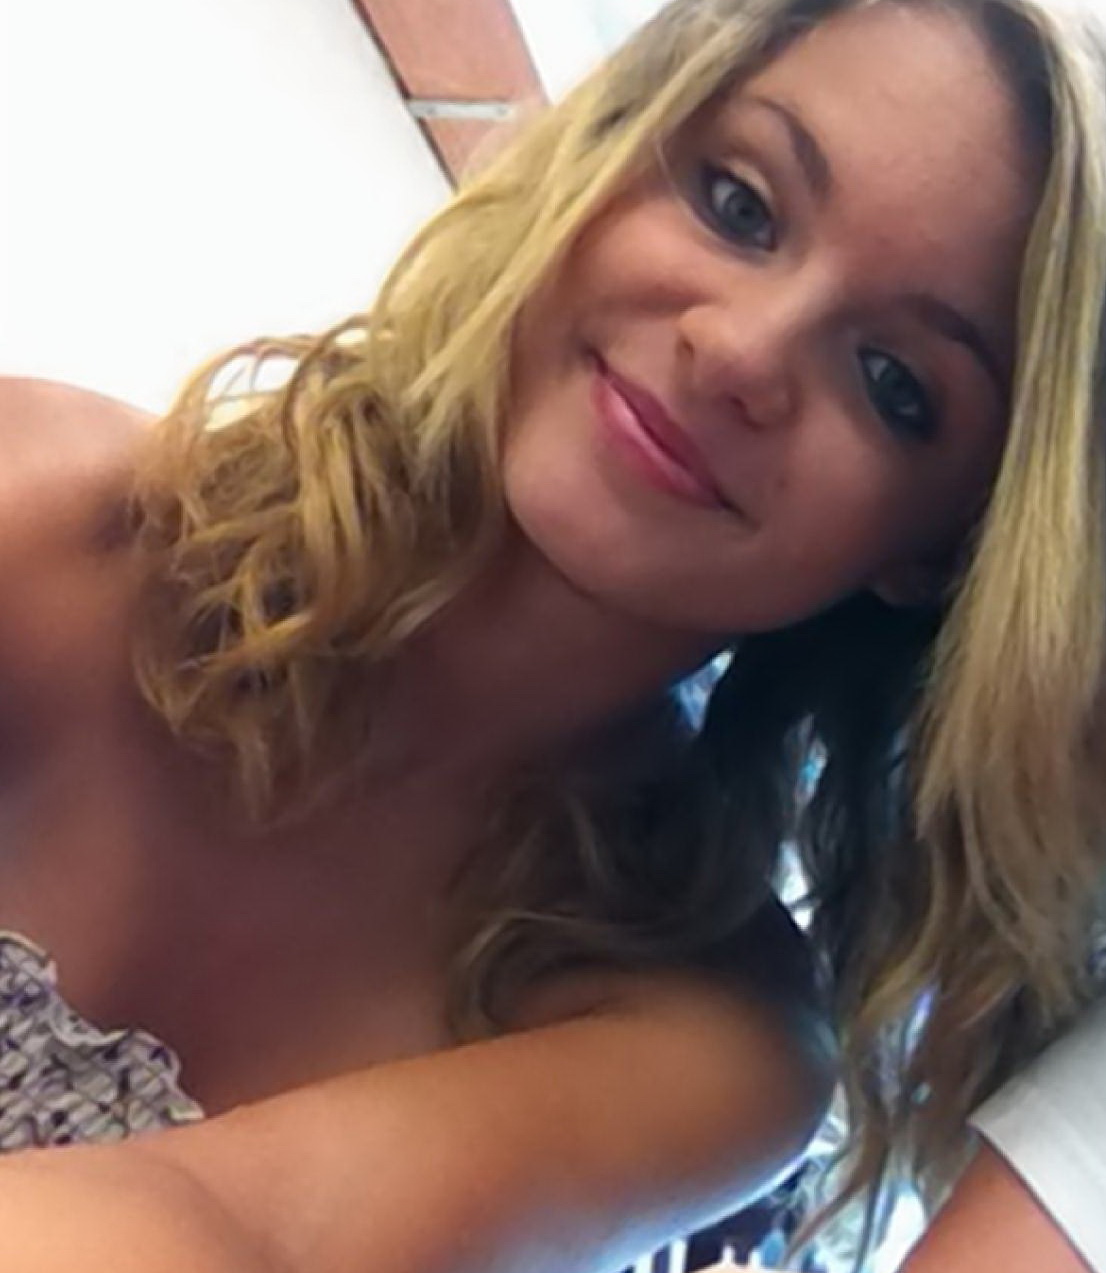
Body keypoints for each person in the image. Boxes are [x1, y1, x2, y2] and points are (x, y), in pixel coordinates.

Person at [0, 2, 1103, 1272]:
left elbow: (254, 1240)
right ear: (609, 153)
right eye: (738, 204)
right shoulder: (56, 509)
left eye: (894, 382)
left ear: (941, 552)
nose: (736, 350)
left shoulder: (706, 1037)